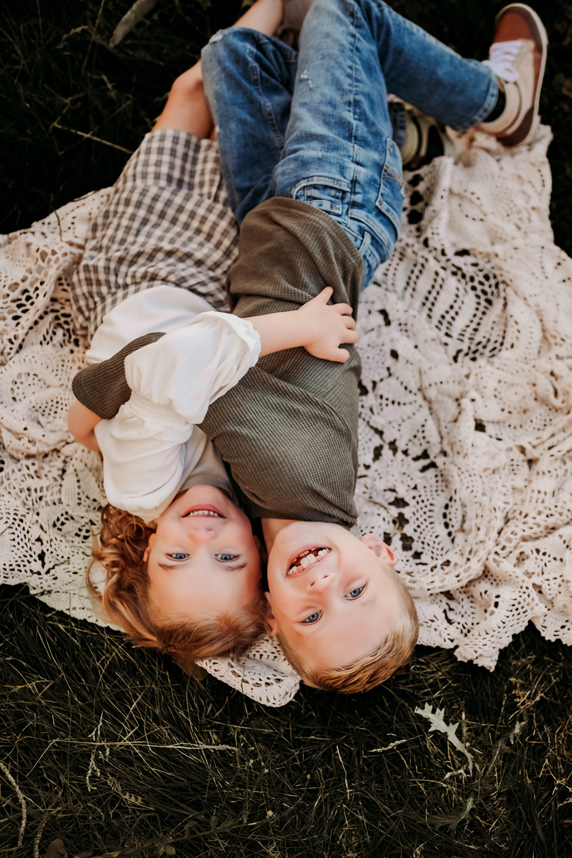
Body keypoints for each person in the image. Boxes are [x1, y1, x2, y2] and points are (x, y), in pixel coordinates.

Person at [71, 1, 548, 692]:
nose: (325, 582)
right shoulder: (296, 473)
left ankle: (395, 127)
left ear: (272, 614)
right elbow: (171, 365)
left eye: (314, 614)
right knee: (344, 13)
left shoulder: (253, 500)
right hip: (334, 212)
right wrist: (92, 410)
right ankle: (499, 104)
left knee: (236, 59)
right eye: (356, 591)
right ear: (381, 552)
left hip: (266, 215)